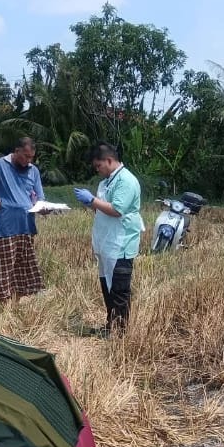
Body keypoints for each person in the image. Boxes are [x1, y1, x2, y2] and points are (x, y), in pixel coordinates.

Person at [73, 142, 143, 336]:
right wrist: (89, 203)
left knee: (119, 290)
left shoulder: (126, 181)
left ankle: (120, 333)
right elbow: (101, 208)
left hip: (121, 243)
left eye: (99, 165)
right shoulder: (105, 182)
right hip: (106, 242)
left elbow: (117, 210)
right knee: (107, 288)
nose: (97, 170)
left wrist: (92, 200)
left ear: (109, 160)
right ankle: (111, 325)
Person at [0, 137, 47, 305]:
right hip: (7, 225)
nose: (28, 161)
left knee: (24, 265)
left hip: (27, 225)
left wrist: (43, 208)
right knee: (5, 267)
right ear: (17, 151)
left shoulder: (33, 171)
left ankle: (20, 301)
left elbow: (40, 197)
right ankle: (5, 305)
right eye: (26, 156)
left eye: (31, 157)